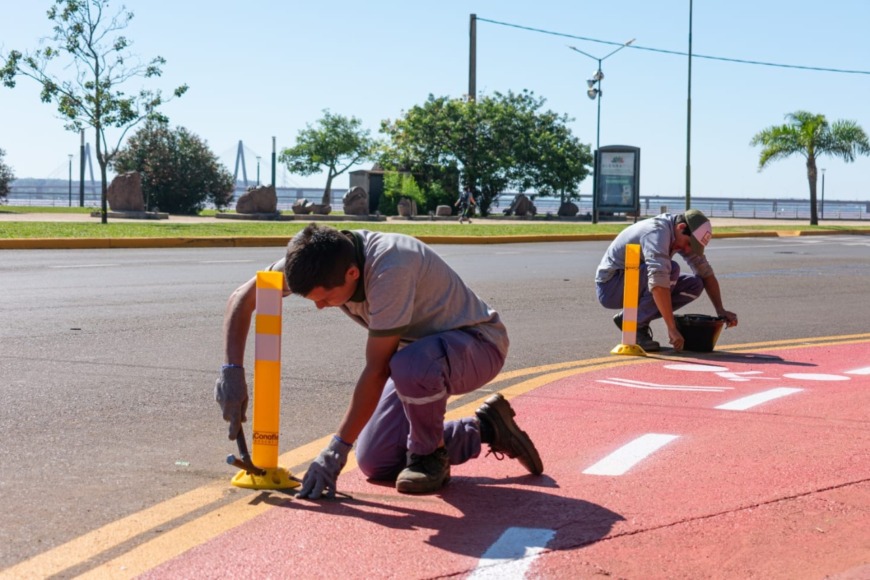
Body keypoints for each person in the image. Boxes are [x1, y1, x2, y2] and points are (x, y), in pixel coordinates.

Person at [215, 223, 543, 498]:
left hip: (478, 345)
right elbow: (244, 296)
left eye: (326, 298)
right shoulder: (319, 257)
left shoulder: (390, 269)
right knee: (375, 460)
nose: (321, 306)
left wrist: (334, 451)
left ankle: (430, 456)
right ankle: (487, 427)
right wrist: (232, 372)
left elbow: (377, 369)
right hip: (416, 359)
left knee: (410, 364)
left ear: (353, 273)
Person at [595, 210, 738, 352]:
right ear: (681, 227)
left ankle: (631, 317)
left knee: (694, 285)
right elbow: (658, 282)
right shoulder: (657, 233)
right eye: (689, 243)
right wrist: (672, 328)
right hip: (611, 286)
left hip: (635, 281)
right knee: (670, 270)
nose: (688, 250)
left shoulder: (679, 234)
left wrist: (720, 309)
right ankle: (635, 325)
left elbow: (705, 273)